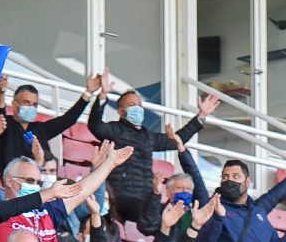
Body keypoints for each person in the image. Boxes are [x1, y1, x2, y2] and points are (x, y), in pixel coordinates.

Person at [85, 80, 213, 223]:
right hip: (120, 196)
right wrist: (102, 96)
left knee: (171, 217)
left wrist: (201, 116)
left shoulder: (148, 136)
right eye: (132, 105)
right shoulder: (113, 130)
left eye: (140, 105)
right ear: (120, 111)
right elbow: (95, 126)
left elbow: (177, 139)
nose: (137, 109)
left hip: (145, 199)